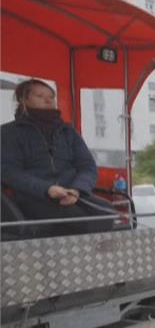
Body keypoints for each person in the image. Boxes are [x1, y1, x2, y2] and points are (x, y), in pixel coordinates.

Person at [1, 79, 113, 237]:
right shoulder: (8, 133)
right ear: (23, 100)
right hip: (32, 197)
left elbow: (87, 166)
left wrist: (77, 190)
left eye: (51, 96)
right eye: (40, 96)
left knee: (107, 213)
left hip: (71, 195)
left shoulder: (68, 132)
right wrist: (47, 189)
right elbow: (8, 171)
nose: (48, 100)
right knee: (79, 220)